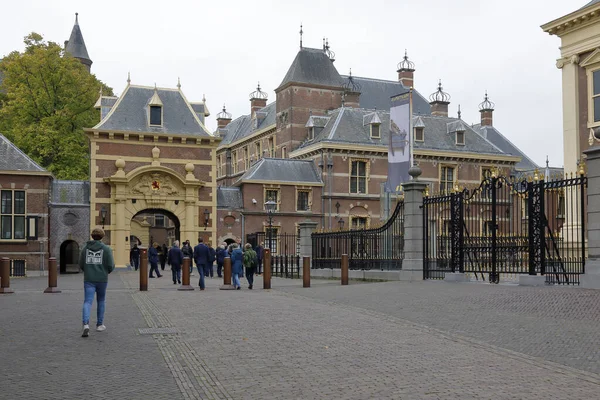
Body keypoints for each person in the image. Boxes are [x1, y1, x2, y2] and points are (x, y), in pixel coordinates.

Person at [79, 227, 115, 338]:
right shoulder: (106, 249)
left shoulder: (85, 249)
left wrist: (88, 271)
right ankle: (99, 324)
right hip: (102, 279)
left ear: (92, 236)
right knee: (101, 300)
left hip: (89, 279)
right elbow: (111, 265)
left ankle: (85, 324)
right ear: (102, 236)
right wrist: (105, 272)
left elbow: (81, 264)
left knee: (87, 301)